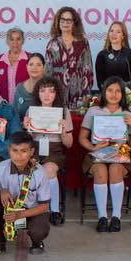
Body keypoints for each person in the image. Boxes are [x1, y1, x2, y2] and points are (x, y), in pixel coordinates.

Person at [0, 132, 53, 257]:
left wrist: (19, 215)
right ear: (9, 150)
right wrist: (2, 191)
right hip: (9, 209)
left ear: (31, 151)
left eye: (24, 151)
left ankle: (37, 242)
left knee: (39, 228)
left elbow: (45, 206)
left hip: (30, 211)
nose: (18, 156)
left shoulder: (40, 173)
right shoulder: (0, 167)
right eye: (15, 150)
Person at [80, 76, 131, 232]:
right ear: (104, 92)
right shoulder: (93, 111)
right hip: (97, 153)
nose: (114, 94)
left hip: (120, 154)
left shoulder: (127, 114)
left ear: (122, 94)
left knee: (115, 169)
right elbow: (82, 138)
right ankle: (102, 217)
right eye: (110, 90)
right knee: (100, 171)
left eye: (118, 91)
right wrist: (93, 147)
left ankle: (116, 217)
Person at [22, 75, 74, 224]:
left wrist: (63, 131)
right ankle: (32, 208)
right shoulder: (31, 111)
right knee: (28, 170)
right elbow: (26, 141)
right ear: (37, 93)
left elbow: (69, 144)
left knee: (48, 170)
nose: (46, 95)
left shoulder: (63, 111)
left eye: (51, 91)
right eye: (43, 90)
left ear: (56, 94)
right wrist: (27, 128)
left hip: (55, 151)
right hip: (34, 149)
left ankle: (54, 210)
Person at [45, 6, 94, 108]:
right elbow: (48, 72)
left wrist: (86, 93)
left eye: (69, 20)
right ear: (58, 22)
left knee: (77, 117)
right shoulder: (52, 44)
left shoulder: (83, 43)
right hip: (58, 90)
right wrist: (49, 92)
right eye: (62, 20)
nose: (65, 23)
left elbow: (88, 69)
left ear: (74, 23)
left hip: (79, 91)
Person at [95, 21, 131, 90]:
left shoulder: (130, 54)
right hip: (108, 92)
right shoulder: (102, 55)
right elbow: (100, 81)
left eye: (118, 32)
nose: (114, 34)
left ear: (123, 36)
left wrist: (129, 93)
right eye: (111, 31)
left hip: (126, 92)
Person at [0, 27, 29, 104]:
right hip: (3, 106)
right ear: (7, 41)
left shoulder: (30, 59)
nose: (15, 42)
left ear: (23, 41)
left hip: (25, 106)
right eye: (11, 39)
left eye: (18, 39)